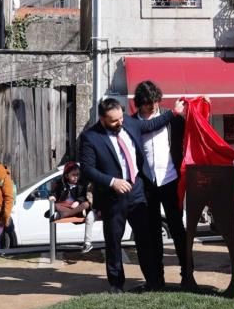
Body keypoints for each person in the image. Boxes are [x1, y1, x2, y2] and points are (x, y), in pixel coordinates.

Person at [79, 97, 174, 293]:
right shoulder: (91, 137)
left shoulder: (129, 121)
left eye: (121, 118)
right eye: (114, 121)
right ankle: (116, 285)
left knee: (145, 237)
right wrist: (112, 182)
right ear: (103, 119)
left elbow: (151, 124)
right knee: (114, 240)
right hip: (113, 197)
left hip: (136, 189)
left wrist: (173, 113)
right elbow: (87, 169)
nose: (120, 123)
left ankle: (153, 281)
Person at [129, 81, 195, 289]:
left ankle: (187, 274)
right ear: (139, 103)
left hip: (170, 179)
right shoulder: (132, 123)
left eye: (156, 101)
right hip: (146, 183)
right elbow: (148, 128)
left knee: (177, 229)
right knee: (152, 232)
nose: (154, 106)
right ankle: (157, 279)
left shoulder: (172, 119)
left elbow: (193, 127)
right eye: (149, 103)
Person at [48, 161, 95, 253]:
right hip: (65, 206)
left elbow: (84, 196)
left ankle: (63, 215)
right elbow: (53, 193)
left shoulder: (81, 184)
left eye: (77, 174)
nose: (76, 177)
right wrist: (52, 196)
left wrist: (78, 201)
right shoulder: (60, 183)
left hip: (77, 208)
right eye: (73, 175)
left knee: (86, 204)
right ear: (66, 175)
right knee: (56, 205)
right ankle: (65, 214)